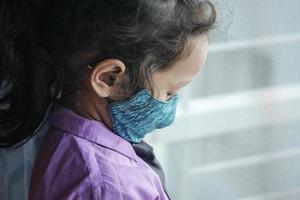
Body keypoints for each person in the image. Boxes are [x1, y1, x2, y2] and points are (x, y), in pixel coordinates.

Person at [0, 0, 216, 199]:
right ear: (109, 79)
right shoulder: (111, 187)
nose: (172, 106)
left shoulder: (63, 134)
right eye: (169, 92)